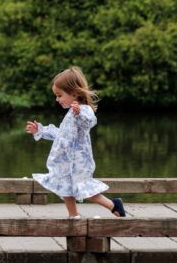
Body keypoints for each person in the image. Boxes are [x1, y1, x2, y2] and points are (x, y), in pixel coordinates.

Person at [25, 66, 125, 219]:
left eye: (59, 95)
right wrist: (41, 130)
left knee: (84, 190)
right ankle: (73, 216)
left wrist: (79, 114)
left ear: (74, 93)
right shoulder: (71, 113)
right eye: (56, 96)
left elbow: (90, 122)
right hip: (65, 162)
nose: (57, 99)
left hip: (78, 163)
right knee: (65, 188)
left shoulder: (83, 110)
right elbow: (61, 135)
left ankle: (113, 205)